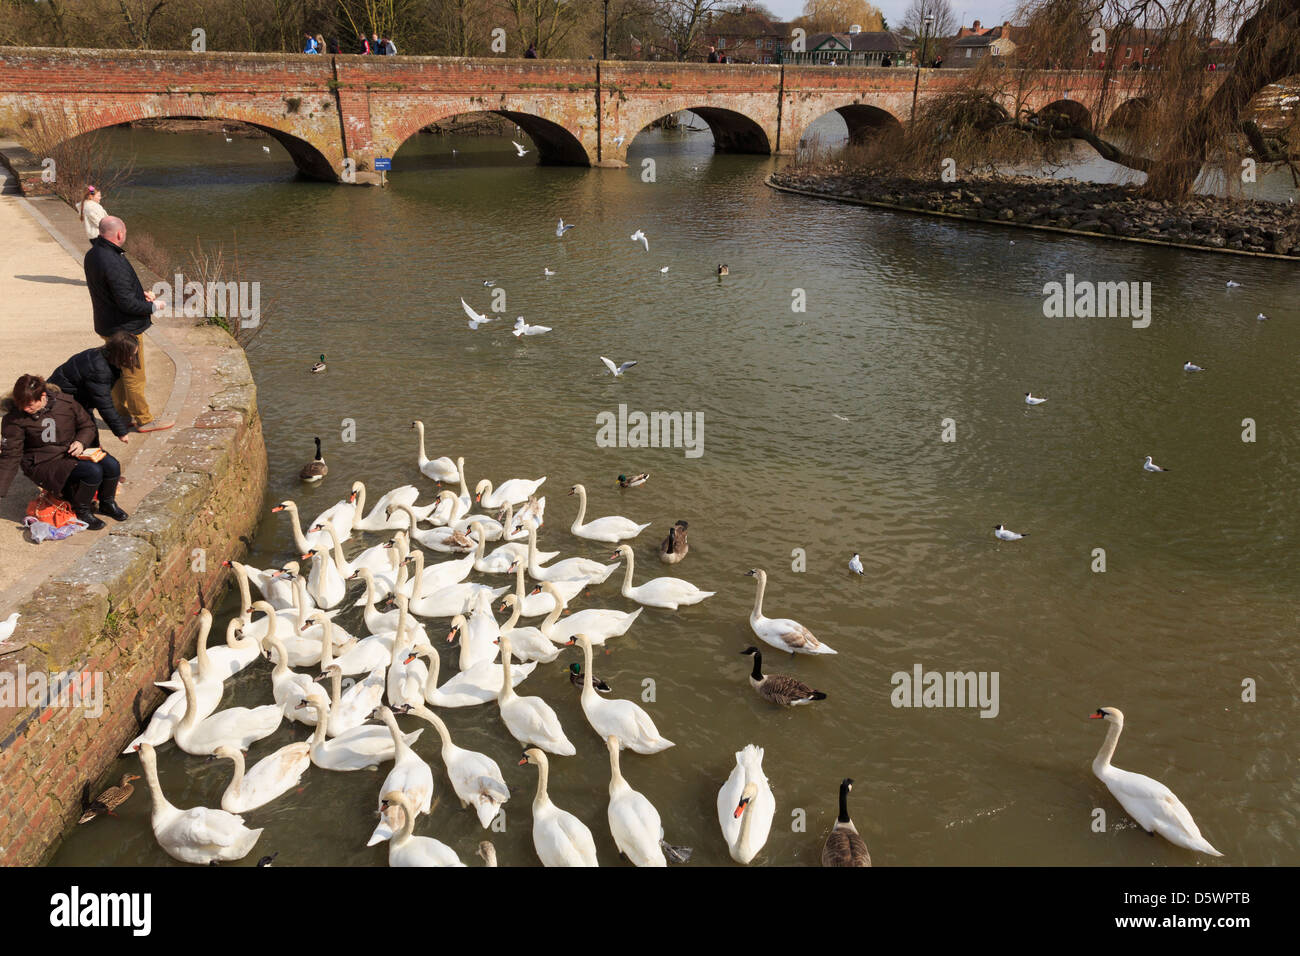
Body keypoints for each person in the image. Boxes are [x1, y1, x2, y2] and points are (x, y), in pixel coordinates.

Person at [0, 375, 127, 530]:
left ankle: (107, 503)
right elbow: (10, 455)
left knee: (111, 465)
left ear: (43, 396)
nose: (26, 409)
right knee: (92, 471)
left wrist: (81, 442)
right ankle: (82, 510)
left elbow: (87, 426)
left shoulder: (65, 402)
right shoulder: (13, 420)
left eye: (30, 405)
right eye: (22, 405)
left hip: (71, 451)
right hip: (43, 462)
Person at [83, 216, 171, 433]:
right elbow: (126, 303)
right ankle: (144, 420)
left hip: (107, 324)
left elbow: (113, 291)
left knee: (119, 372)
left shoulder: (94, 254)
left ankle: (121, 415)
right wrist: (153, 306)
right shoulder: (113, 260)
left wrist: (139, 294)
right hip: (125, 329)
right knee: (134, 375)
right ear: (119, 234)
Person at [47, 332, 139, 447]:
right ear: (120, 354)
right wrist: (121, 432)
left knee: (89, 432)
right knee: (86, 431)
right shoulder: (100, 371)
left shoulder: (97, 354)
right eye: (131, 355)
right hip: (65, 400)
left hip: (72, 395)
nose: (133, 358)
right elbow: (105, 404)